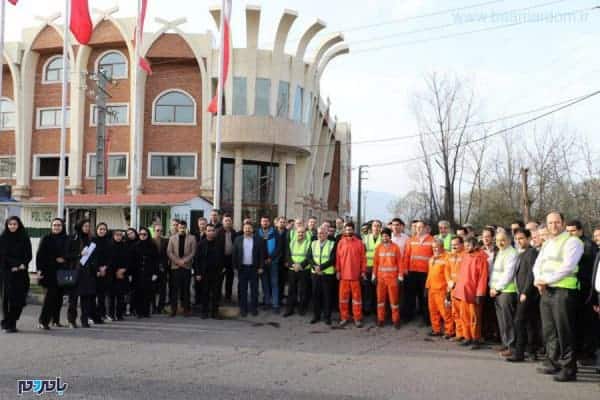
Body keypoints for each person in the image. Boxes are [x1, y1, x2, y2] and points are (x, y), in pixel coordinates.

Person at [533, 212, 583, 382]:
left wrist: (545, 280)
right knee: (550, 330)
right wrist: (537, 280)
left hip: (564, 290)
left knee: (565, 331)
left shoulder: (573, 242)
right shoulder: (547, 243)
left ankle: (569, 368)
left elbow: (568, 267)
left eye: (557, 222)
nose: (553, 226)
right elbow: (538, 264)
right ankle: (553, 362)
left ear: (563, 223)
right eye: (550, 223)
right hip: (546, 290)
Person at [565, 220, 598, 364]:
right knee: (576, 322)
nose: (570, 234)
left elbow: (590, 271)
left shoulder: (588, 246)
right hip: (576, 289)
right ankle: (579, 351)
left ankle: (588, 353)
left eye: (572, 231)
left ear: (580, 231)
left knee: (587, 323)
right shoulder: (570, 244)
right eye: (568, 231)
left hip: (586, 290)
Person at [507, 228, 540, 362]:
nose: (519, 241)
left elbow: (532, 274)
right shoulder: (522, 254)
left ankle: (519, 352)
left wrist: (525, 292)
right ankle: (531, 351)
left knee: (519, 322)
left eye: (521, 238)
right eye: (517, 239)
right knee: (529, 323)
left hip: (527, 294)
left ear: (528, 238)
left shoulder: (532, 252)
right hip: (520, 292)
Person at [453, 237, 489, 350]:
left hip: (473, 293)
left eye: (469, 245)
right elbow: (462, 275)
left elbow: (483, 277)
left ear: (475, 245)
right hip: (463, 292)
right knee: (464, 316)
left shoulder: (480, 258)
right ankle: (467, 337)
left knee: (474, 318)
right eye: (466, 245)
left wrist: (480, 293)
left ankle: (476, 339)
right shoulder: (465, 256)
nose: (467, 247)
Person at [489, 231, 519, 358]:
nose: (499, 243)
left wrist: (497, 288)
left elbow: (508, 274)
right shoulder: (500, 252)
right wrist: (492, 287)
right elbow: (495, 273)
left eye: (502, 240)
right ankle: (505, 343)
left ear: (509, 240)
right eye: (497, 240)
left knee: (508, 321)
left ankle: (512, 346)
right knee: (501, 320)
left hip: (507, 291)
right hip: (497, 290)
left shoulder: (512, 253)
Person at [0, 217, 32, 333]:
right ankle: (7, 323)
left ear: (19, 225)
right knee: (8, 299)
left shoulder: (24, 238)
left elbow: (28, 254)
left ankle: (13, 321)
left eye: (15, 224)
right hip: (7, 273)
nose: (12, 226)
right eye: (10, 224)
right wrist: (13, 265)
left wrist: (23, 264)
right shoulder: (3, 238)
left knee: (20, 299)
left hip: (21, 273)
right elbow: (2, 256)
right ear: (7, 225)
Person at [36, 218, 68, 330]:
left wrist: (64, 258)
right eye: (54, 225)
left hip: (63, 271)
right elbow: (40, 255)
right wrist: (39, 270)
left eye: (59, 225)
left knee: (59, 298)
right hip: (49, 272)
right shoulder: (46, 238)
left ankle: (55, 320)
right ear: (51, 226)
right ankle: (43, 321)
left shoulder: (66, 239)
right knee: (49, 298)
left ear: (62, 226)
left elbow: (71, 253)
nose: (56, 227)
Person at [66, 219, 97, 328]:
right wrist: (79, 254)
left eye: (88, 226)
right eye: (85, 226)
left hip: (87, 273)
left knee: (86, 299)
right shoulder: (72, 238)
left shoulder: (91, 239)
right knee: (73, 299)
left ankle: (84, 320)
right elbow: (67, 255)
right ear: (80, 226)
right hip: (75, 271)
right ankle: (71, 320)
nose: (87, 228)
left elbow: (94, 256)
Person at [402, 220, 434, 324]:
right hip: (412, 272)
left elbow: (435, 256)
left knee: (424, 296)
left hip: (426, 272)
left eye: (420, 227)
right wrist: (405, 269)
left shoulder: (432, 240)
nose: (418, 229)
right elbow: (406, 255)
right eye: (416, 227)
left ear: (425, 228)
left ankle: (426, 318)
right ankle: (408, 316)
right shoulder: (410, 240)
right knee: (409, 296)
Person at [336, 222, 366, 328]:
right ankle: (344, 317)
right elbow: (338, 259)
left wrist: (363, 272)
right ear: (344, 230)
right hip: (344, 276)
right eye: (347, 229)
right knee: (343, 299)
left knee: (356, 299)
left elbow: (363, 259)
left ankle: (357, 318)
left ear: (353, 230)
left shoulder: (359, 243)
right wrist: (338, 271)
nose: (348, 231)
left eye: (350, 229)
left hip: (355, 276)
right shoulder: (341, 243)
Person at [232, 222, 266, 317]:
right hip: (242, 268)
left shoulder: (258, 240)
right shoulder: (238, 239)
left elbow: (261, 255)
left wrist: (261, 267)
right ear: (243, 229)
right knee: (243, 290)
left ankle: (253, 308)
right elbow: (234, 254)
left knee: (254, 290)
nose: (247, 230)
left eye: (249, 228)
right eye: (245, 228)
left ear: (252, 229)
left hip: (254, 268)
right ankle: (243, 309)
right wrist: (235, 267)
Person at [372, 228, 403, 329]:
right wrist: (374, 275)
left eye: (386, 236)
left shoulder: (395, 248)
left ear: (390, 236)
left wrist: (400, 275)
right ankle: (380, 319)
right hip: (381, 278)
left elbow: (399, 263)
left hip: (392, 279)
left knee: (394, 301)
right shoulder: (378, 248)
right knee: (380, 300)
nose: (384, 238)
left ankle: (396, 320)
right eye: (383, 236)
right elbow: (375, 263)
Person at [167, 220, 197, 317]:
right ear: (178, 228)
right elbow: (169, 252)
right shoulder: (172, 238)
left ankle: (186, 310)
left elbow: (193, 252)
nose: (182, 229)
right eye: (180, 227)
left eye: (183, 227)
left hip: (186, 267)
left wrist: (184, 261)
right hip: (175, 267)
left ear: (186, 227)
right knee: (174, 290)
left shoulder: (192, 238)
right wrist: (177, 261)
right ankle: (173, 309)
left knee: (186, 290)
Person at [308, 226, 336, 325]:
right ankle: (316, 316)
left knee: (327, 296)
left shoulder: (332, 244)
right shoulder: (313, 243)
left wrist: (321, 267)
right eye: (319, 233)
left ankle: (327, 317)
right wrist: (315, 267)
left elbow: (333, 259)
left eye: (323, 233)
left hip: (327, 274)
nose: (320, 235)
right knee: (316, 295)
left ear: (327, 234)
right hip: (315, 274)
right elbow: (309, 257)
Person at [194, 224, 223, 319]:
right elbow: (197, 260)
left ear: (215, 232)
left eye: (212, 230)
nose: (210, 232)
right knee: (205, 293)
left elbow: (222, 258)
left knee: (216, 294)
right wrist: (197, 273)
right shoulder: (201, 244)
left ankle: (215, 312)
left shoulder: (219, 243)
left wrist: (222, 269)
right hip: (204, 273)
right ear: (205, 232)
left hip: (216, 273)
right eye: (209, 230)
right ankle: (204, 312)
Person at [426, 238, 452, 337]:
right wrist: (427, 286)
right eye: (433, 247)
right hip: (432, 289)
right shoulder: (432, 258)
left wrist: (448, 290)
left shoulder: (447, 258)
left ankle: (449, 331)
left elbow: (448, 275)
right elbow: (430, 274)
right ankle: (436, 329)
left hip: (442, 290)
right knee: (433, 311)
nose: (435, 249)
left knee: (445, 312)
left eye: (437, 247)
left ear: (442, 247)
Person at [131, 228, 159, 318]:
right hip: (137, 273)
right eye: (140, 234)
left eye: (144, 234)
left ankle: (146, 311)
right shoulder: (135, 246)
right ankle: (139, 312)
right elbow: (132, 260)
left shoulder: (152, 246)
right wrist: (130, 273)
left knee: (147, 292)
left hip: (148, 272)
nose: (142, 236)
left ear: (148, 235)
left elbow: (156, 260)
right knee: (138, 292)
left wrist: (155, 273)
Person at [284, 227, 311, 317]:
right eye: (299, 232)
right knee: (291, 290)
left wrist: (300, 266)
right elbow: (288, 256)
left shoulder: (308, 243)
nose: (300, 234)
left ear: (305, 233)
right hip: (292, 270)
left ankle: (301, 309)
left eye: (302, 232)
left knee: (303, 291)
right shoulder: (292, 243)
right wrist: (293, 265)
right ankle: (290, 309)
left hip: (304, 270)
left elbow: (309, 257)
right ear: (296, 233)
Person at [481, 226, 500, 343]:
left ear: (493, 238)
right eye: (484, 237)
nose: (486, 239)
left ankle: (496, 334)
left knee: (495, 310)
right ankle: (486, 333)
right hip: (483, 283)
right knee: (485, 309)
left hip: (495, 283)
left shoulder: (498, 250)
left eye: (488, 236)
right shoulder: (480, 250)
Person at [445, 236, 465, 340]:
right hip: (452, 287)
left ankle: (464, 334)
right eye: (452, 245)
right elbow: (447, 270)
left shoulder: (466, 255)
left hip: (461, 288)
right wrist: (449, 282)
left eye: (456, 244)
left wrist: (457, 283)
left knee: (463, 312)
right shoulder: (450, 256)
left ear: (462, 244)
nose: (454, 246)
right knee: (455, 312)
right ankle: (459, 333)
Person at [108, 230, 129, 321]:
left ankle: (120, 314)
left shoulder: (125, 246)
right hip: (111, 274)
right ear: (113, 236)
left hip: (122, 274)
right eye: (116, 235)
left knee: (121, 296)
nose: (118, 237)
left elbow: (128, 260)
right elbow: (108, 260)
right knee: (111, 296)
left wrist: (123, 270)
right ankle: (111, 314)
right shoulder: (109, 246)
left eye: (120, 235)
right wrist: (115, 271)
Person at [362, 220, 382, 316]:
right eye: (375, 226)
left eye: (378, 226)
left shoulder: (383, 239)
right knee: (367, 290)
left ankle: (375, 309)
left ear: (380, 228)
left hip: (379, 269)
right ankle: (367, 309)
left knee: (377, 290)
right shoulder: (365, 239)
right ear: (371, 228)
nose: (376, 228)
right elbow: (361, 255)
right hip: (367, 268)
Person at [216, 214, 238, 303]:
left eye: (229, 220)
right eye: (226, 220)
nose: (228, 222)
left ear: (231, 222)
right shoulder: (218, 232)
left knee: (230, 278)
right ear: (222, 222)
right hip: (221, 259)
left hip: (230, 259)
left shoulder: (234, 232)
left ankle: (228, 296)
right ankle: (218, 296)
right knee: (219, 279)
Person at [93, 223, 112, 322]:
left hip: (106, 271)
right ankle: (92, 315)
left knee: (102, 295)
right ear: (97, 230)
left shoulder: (109, 242)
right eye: (100, 229)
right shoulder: (92, 241)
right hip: (95, 272)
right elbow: (91, 258)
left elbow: (111, 257)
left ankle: (103, 314)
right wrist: (97, 270)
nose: (102, 231)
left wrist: (105, 268)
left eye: (104, 229)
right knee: (93, 295)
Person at [257, 217, 276, 309]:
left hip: (272, 262)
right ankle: (267, 302)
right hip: (261, 262)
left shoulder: (274, 232)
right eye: (263, 221)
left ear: (269, 222)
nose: (265, 223)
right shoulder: (257, 233)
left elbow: (278, 247)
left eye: (266, 221)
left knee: (273, 283)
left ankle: (275, 304)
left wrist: (271, 258)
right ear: (260, 222)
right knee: (264, 283)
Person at [151, 222, 170, 314]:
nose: (160, 232)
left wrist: (164, 265)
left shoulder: (166, 241)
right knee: (153, 289)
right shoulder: (150, 241)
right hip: (153, 269)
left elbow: (167, 255)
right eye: (158, 230)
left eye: (161, 230)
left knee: (163, 289)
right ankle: (153, 307)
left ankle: (160, 307)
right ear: (154, 231)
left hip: (163, 268)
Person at [274, 217, 289, 312]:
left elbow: (289, 248)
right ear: (277, 223)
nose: (282, 223)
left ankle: (280, 299)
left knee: (282, 281)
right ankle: (274, 299)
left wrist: (287, 260)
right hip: (274, 260)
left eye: (284, 222)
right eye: (281, 222)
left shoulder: (288, 233)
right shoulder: (273, 232)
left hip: (284, 261)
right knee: (274, 281)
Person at [193, 217, 208, 309]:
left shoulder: (209, 234)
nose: (202, 225)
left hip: (205, 262)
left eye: (204, 223)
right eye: (201, 224)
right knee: (196, 282)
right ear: (198, 225)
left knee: (205, 284)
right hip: (196, 261)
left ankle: (204, 301)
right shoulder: (194, 234)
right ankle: (197, 300)